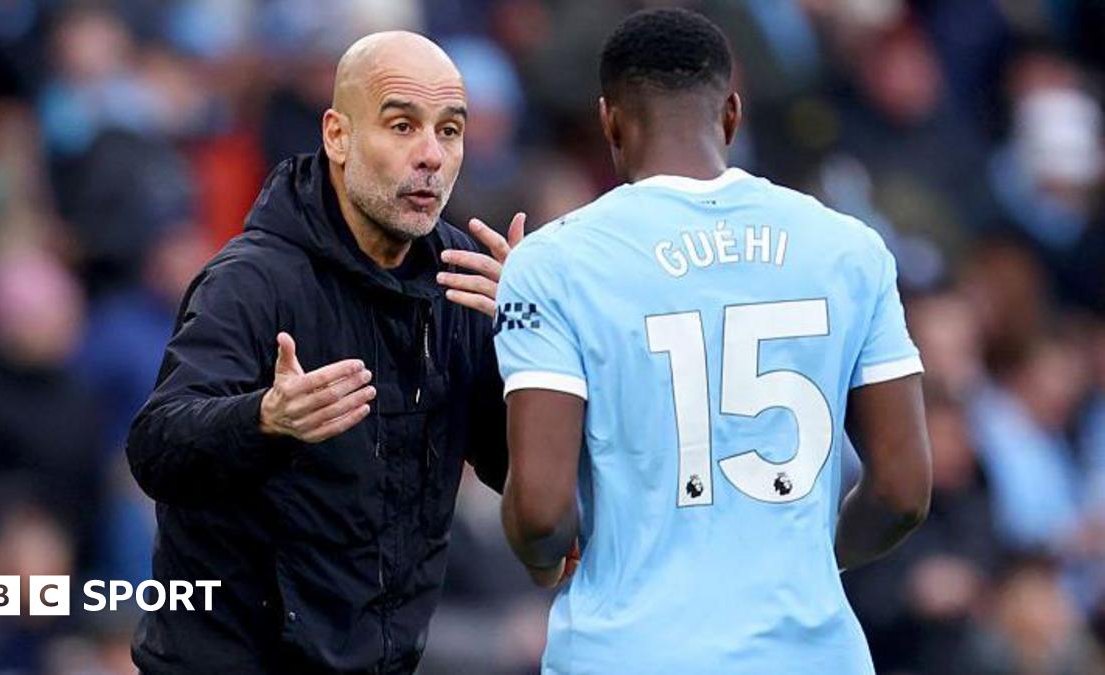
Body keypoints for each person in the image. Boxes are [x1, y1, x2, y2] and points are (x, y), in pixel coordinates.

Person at [493, 8, 932, 674]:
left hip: (630, 654)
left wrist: (541, 558)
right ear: (731, 113)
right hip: (811, 654)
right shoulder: (849, 247)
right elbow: (903, 489)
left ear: (609, 119)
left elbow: (540, 514)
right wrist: (812, 557)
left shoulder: (555, 261)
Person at [125, 31, 523, 673]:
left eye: (449, 132)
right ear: (337, 135)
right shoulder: (251, 282)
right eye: (401, 126)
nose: (430, 156)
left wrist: (527, 345)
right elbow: (155, 447)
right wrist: (263, 419)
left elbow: (511, 466)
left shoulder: (462, 283)